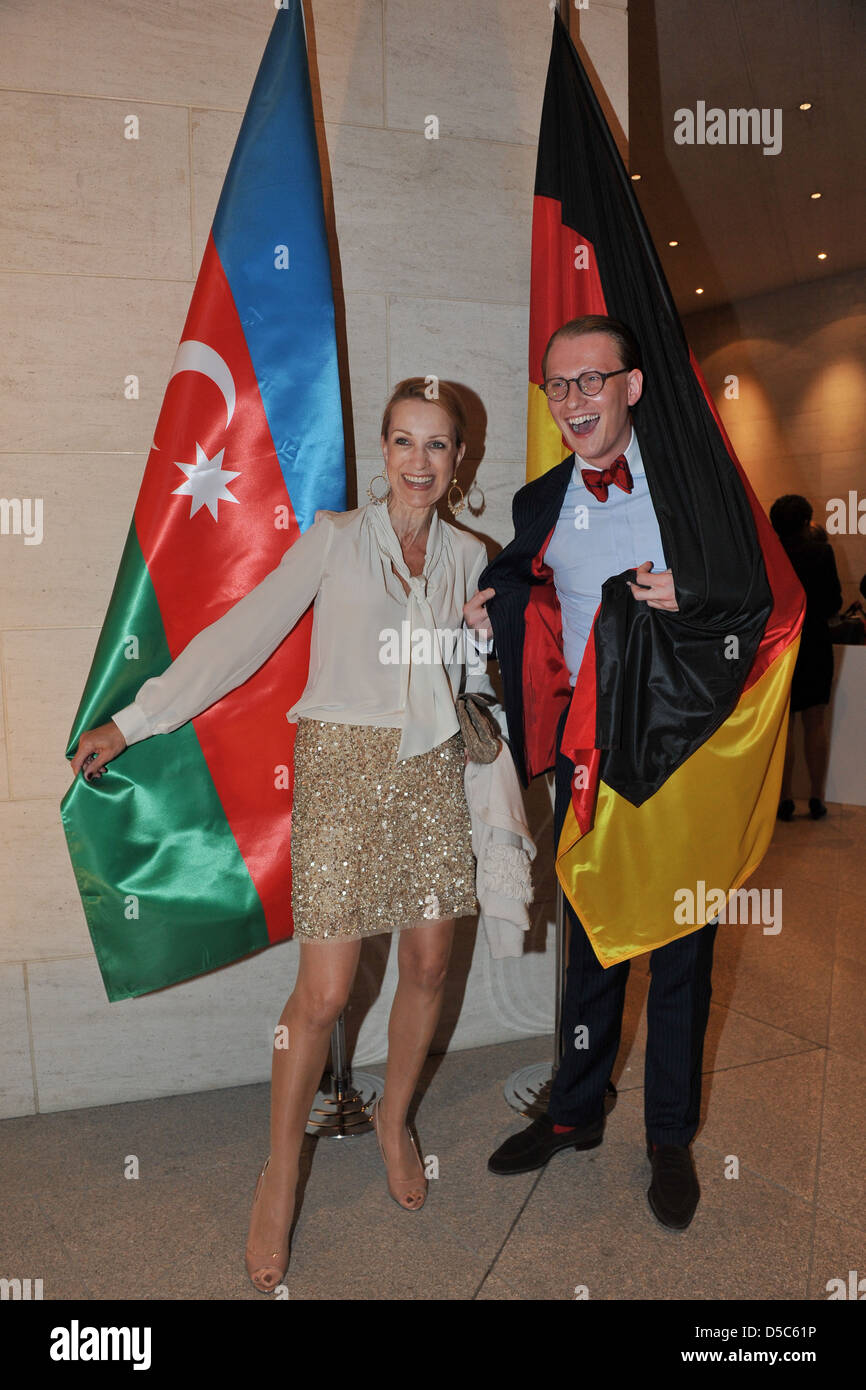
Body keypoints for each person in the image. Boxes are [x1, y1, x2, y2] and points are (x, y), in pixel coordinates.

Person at [71, 378, 498, 1292]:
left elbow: (473, 679)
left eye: (436, 445)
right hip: (341, 770)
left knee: (427, 965)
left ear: (459, 460)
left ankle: (393, 1122)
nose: (418, 462)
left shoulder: (470, 555)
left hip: (429, 773)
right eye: (402, 442)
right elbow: (242, 635)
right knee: (327, 988)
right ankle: (279, 1171)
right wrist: (136, 720)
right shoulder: (338, 540)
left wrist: (486, 648)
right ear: (382, 452)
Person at [464, 315, 720, 1231]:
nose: (573, 401)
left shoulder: (698, 490)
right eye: (558, 386)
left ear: (632, 387)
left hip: (684, 760)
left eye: (591, 381)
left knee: (681, 958)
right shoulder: (542, 499)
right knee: (589, 953)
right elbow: (516, 580)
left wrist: (696, 596)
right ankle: (575, 1109)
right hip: (589, 765)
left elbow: (760, 596)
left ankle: (669, 1137)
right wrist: (485, 610)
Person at [770, 494, 843, 820]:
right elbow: (833, 603)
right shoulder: (821, 552)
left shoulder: (766, 555)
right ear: (805, 521)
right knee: (815, 723)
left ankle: (783, 800)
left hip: (778, 648)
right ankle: (816, 798)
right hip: (814, 644)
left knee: (783, 727)